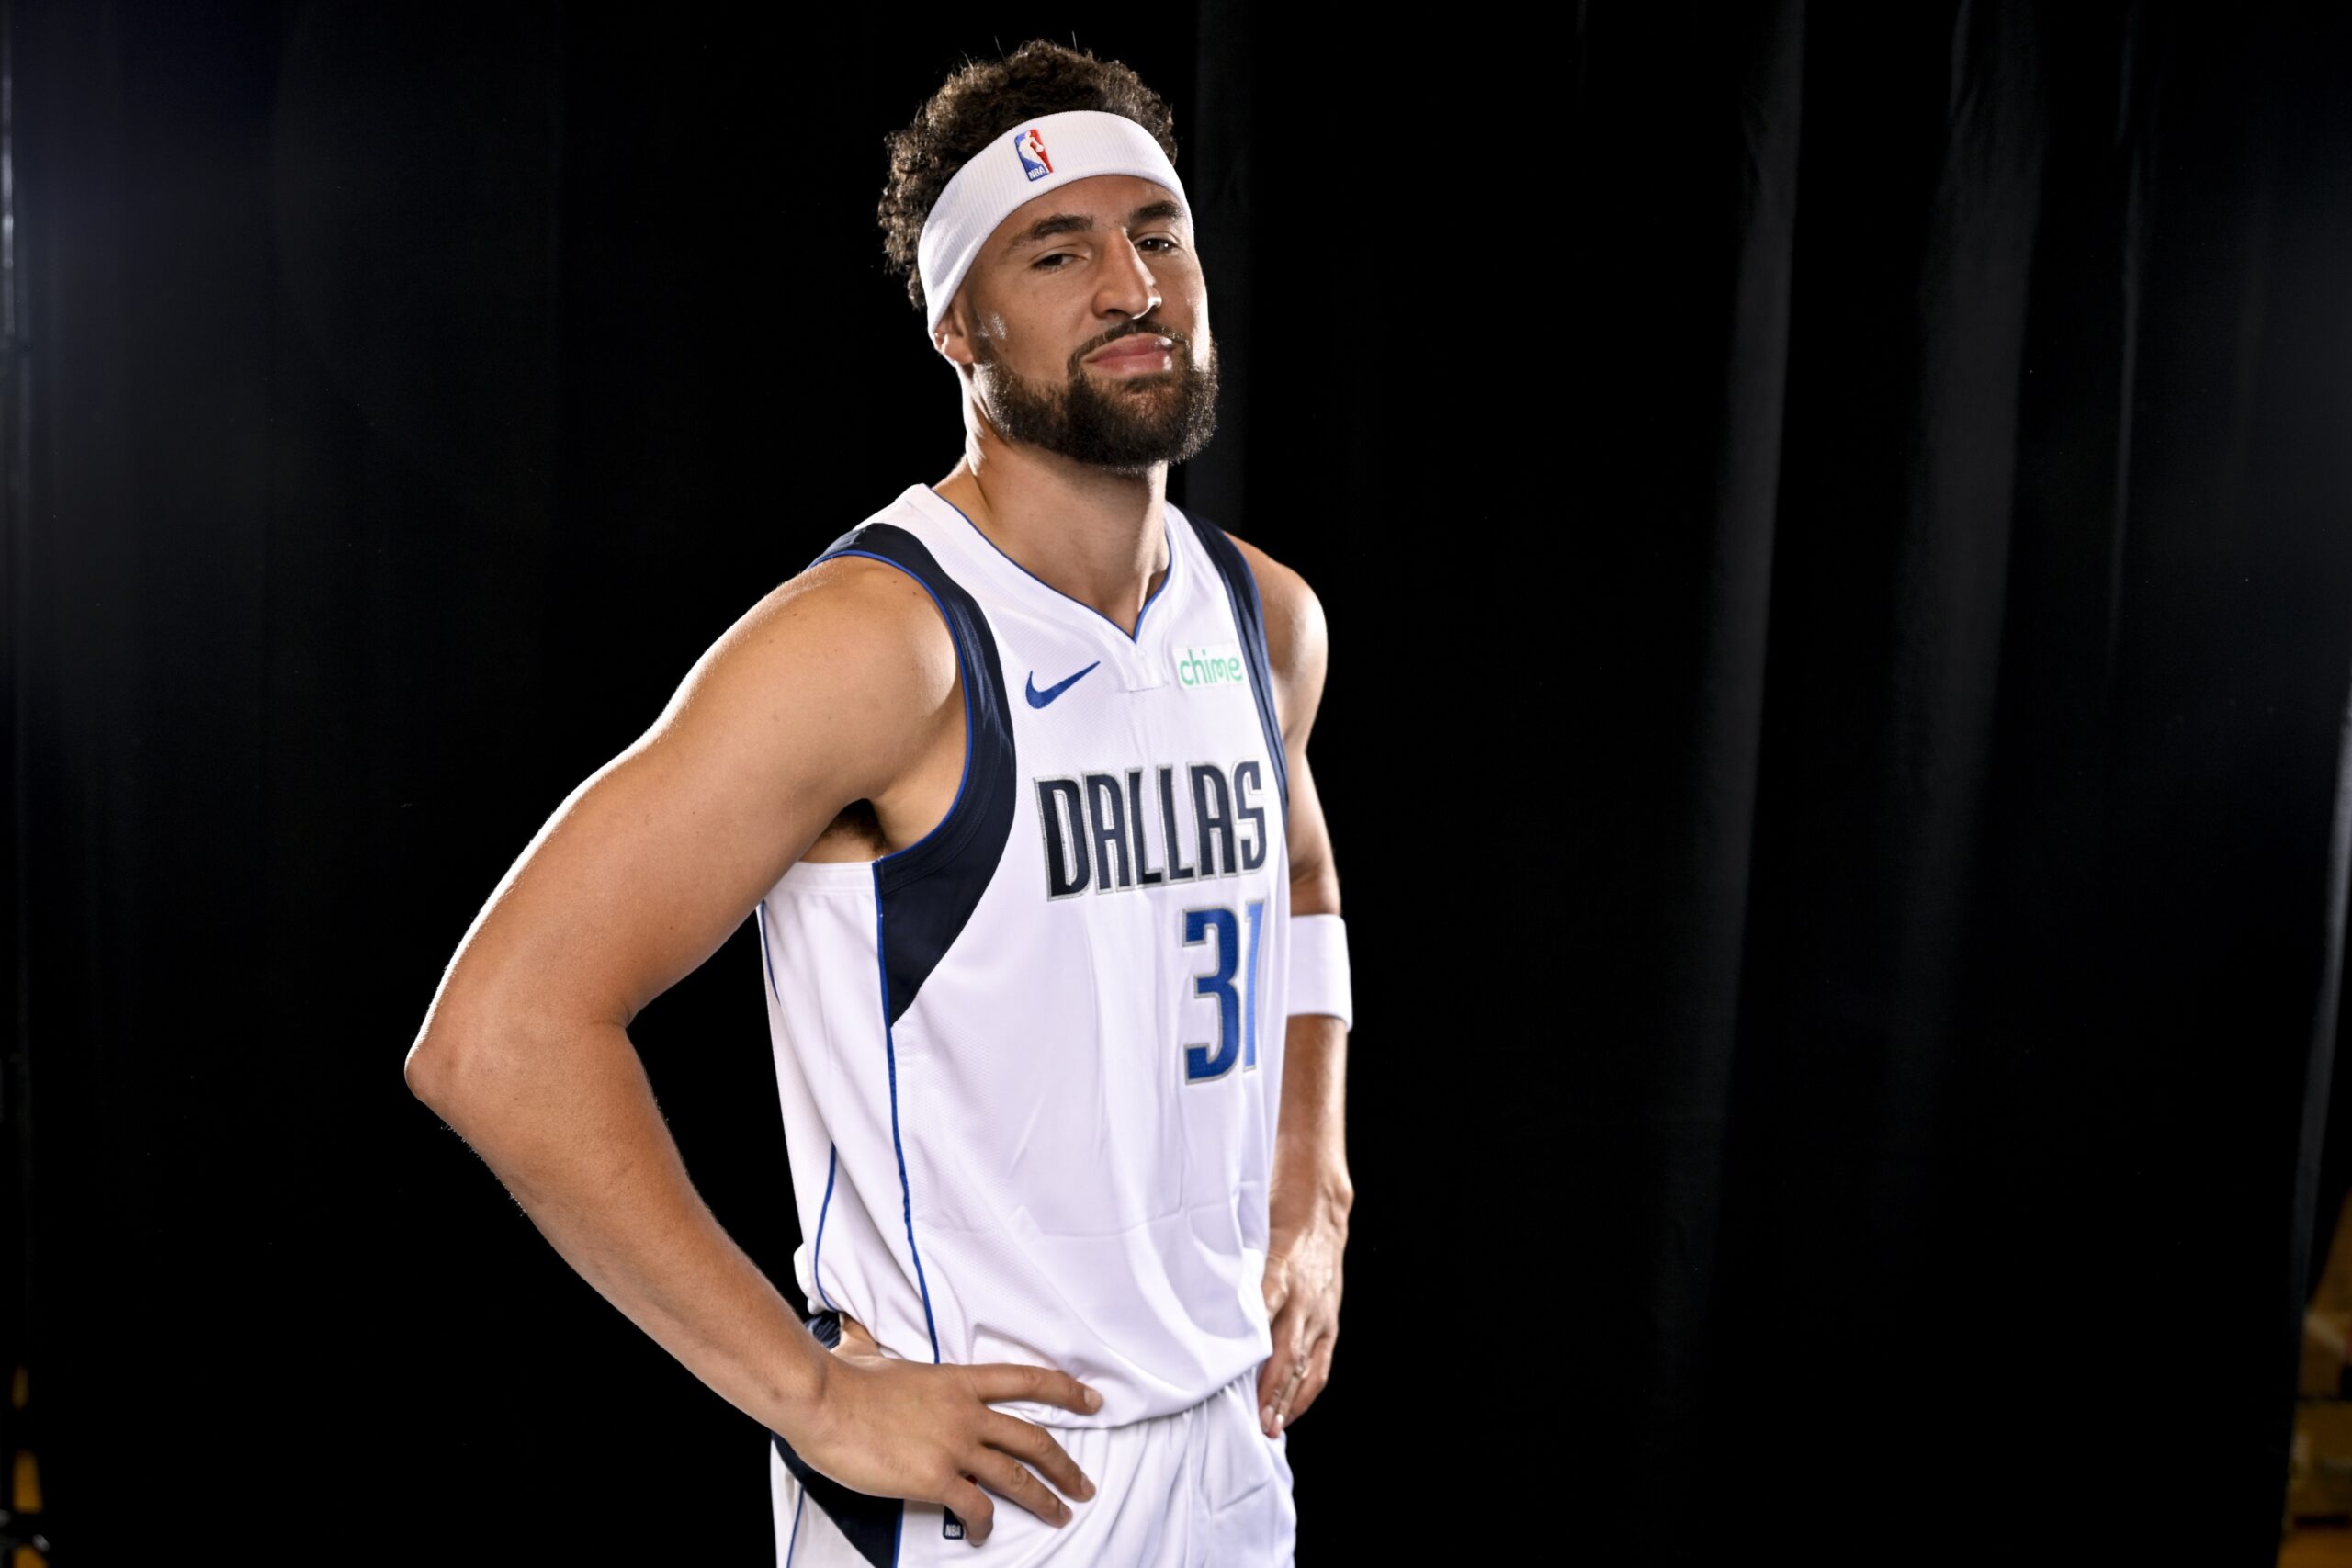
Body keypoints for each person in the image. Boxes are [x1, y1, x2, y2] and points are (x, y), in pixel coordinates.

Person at [403, 39, 1354, 1566]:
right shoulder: (882, 645)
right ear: (958, 323)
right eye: (1059, 251)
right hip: (987, 1489)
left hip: (1230, 1447)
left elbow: (1298, 882)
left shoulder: (1263, 621)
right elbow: (500, 1038)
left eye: (1156, 233)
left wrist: (1316, 1178)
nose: (1132, 286)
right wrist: (812, 1396)